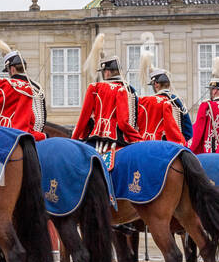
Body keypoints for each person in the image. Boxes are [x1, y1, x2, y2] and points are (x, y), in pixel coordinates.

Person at [71, 33, 140, 164]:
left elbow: (84, 118)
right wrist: (138, 139)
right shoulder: (129, 89)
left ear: (106, 72)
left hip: (97, 140)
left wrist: (74, 138)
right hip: (121, 139)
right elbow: (126, 122)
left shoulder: (95, 87)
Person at [0, 37, 46, 140]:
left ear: (12, 69)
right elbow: (41, 119)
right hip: (36, 137)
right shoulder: (37, 88)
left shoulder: (4, 85)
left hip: (9, 135)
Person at [189, 56, 219, 154]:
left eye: (211, 89)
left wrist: (187, 146)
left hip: (209, 153)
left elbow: (197, 133)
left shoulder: (206, 106)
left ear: (215, 90)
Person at [135, 53, 186, 144]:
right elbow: (188, 131)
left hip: (148, 144)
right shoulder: (177, 101)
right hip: (173, 146)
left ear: (156, 84)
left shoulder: (146, 101)